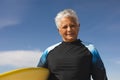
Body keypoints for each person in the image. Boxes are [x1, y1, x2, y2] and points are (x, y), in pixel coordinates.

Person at [37, 9, 108, 80]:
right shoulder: (48, 51)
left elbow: (101, 78)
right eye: (65, 27)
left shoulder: (91, 49)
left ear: (78, 26)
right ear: (59, 30)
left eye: (72, 25)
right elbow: (38, 76)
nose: (69, 29)